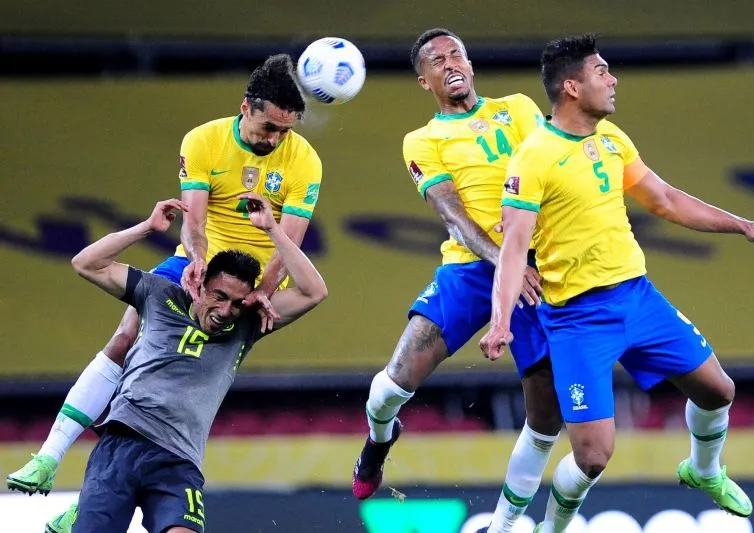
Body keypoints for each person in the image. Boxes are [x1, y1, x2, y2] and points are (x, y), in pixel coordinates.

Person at [480, 34, 754, 532]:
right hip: (578, 320)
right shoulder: (533, 157)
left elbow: (666, 200)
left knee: (718, 391)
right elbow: (514, 248)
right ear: (572, 86)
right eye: (601, 71)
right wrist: (500, 323)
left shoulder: (612, 140)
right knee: (594, 455)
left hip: (637, 298)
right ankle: (553, 528)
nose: (613, 78)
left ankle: (704, 469)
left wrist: (744, 225)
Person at [7, 54, 322, 532]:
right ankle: (49, 457)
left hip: (253, 275)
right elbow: (194, 220)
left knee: (199, 370)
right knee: (127, 334)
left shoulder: (304, 159)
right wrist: (196, 263)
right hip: (198, 259)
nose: (274, 140)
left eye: (285, 131)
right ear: (246, 106)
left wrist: (261, 293)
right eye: (268, 127)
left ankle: (94, 495)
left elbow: (290, 243)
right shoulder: (204, 140)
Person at [352, 28, 563, 533]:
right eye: (436, 60)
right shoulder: (422, 140)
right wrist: (504, 262)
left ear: (470, 64)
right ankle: (378, 443)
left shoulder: (517, 108)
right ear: (423, 80)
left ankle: (507, 523)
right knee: (392, 386)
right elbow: (452, 214)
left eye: (456, 55)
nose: (449, 64)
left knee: (546, 416)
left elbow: (554, 168)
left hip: (540, 264)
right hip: (470, 267)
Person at [65, 194, 326, 532]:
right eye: (219, 296)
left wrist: (274, 230)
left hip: (178, 462)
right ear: (199, 283)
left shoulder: (247, 325)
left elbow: (314, 292)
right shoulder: (158, 295)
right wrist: (147, 227)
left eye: (236, 302)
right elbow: (86, 263)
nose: (225, 310)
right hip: (121, 447)